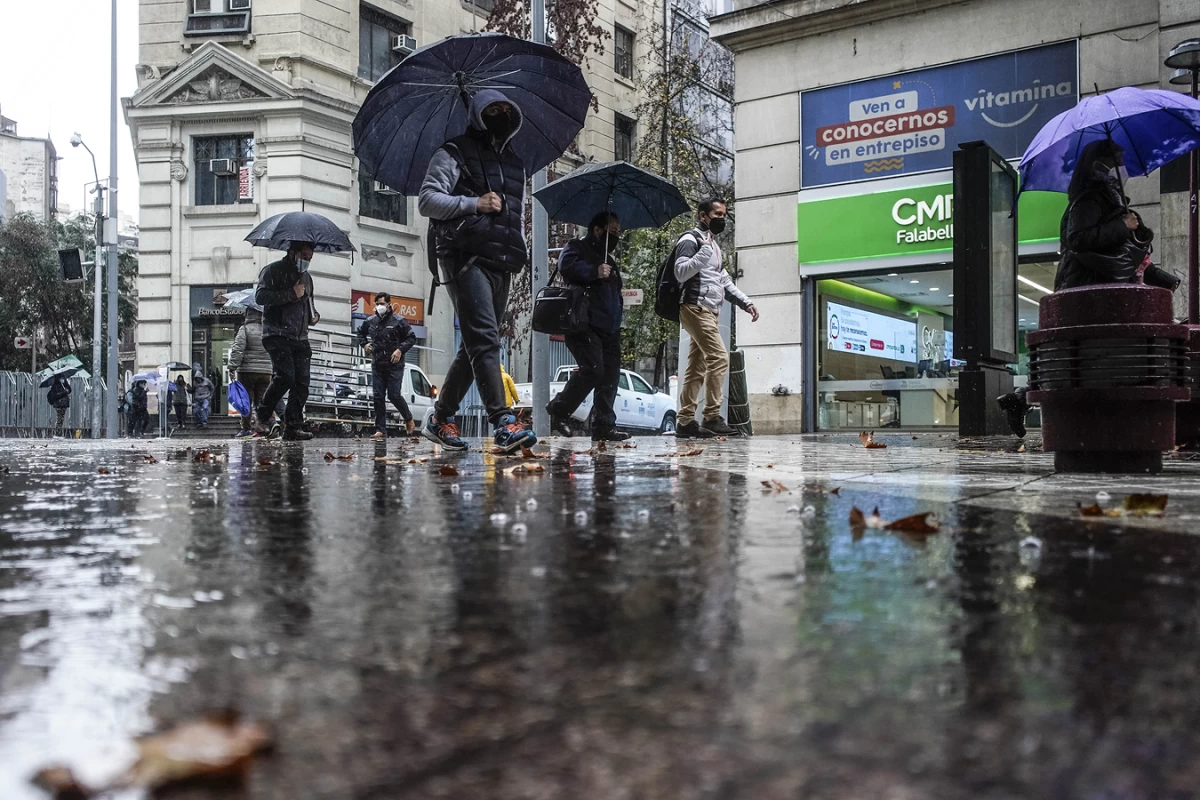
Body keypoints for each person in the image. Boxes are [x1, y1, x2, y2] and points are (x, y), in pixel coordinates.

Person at [997, 140, 1177, 437]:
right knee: (1080, 357)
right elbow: (1078, 239)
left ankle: (1024, 400)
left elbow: (1125, 251)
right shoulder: (1090, 198)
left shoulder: (1110, 197)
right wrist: (1123, 226)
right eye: (1118, 158)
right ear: (1102, 163)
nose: (1123, 164)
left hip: (1106, 287)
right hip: (1086, 288)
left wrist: (1135, 230)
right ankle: (1027, 401)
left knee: (1089, 357)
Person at [418, 88, 538, 454]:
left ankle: (440, 418)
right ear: (477, 114)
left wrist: (520, 252)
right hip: (463, 256)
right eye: (492, 108)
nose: (500, 114)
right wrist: (475, 203)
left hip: (502, 261)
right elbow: (427, 200)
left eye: (506, 109)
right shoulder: (453, 152)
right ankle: (502, 421)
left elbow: (515, 216)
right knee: (485, 339)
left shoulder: (516, 164)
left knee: (474, 344)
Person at [673, 199, 759, 439]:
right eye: (717, 214)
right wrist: (703, 252)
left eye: (724, 214)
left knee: (696, 366)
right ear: (703, 216)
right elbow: (680, 272)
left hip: (709, 309)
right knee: (719, 357)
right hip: (694, 306)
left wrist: (746, 302)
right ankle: (711, 416)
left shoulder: (714, 246)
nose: (722, 218)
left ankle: (685, 421)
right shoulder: (690, 240)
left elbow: (723, 281)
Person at [547, 211, 631, 443]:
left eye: (618, 233)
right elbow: (566, 267)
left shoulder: (610, 260)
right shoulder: (576, 247)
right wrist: (594, 272)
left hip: (610, 327)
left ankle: (604, 425)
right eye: (612, 232)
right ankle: (559, 409)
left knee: (610, 377)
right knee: (593, 369)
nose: (616, 237)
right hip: (584, 324)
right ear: (597, 230)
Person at [254, 240, 316, 441]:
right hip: (277, 333)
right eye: (304, 257)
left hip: (300, 336)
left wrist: (313, 317)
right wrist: (291, 293)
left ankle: (293, 425)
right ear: (292, 252)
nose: (306, 262)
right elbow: (261, 297)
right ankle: (263, 415)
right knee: (286, 376)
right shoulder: (273, 271)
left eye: (309, 258)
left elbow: (309, 304)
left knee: (302, 382)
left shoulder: (307, 278)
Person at [357, 291, 417, 440]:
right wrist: (364, 344)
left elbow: (411, 338)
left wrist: (400, 350)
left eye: (382, 304)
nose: (379, 307)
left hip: (394, 365)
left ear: (389, 304)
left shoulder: (399, 321)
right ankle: (381, 430)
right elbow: (360, 333)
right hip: (377, 364)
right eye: (377, 304)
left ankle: (408, 419)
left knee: (394, 395)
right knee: (378, 397)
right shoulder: (370, 321)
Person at [229, 305, 283, 439]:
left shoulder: (245, 329)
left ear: (248, 314)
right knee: (264, 400)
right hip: (266, 371)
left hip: (247, 371)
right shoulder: (267, 329)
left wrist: (232, 367)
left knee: (245, 400)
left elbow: (238, 349)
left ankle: (246, 429)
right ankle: (270, 422)